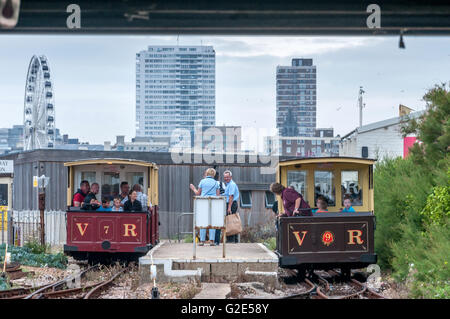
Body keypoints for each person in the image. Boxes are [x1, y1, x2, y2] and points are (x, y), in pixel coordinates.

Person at [190, 168, 220, 246]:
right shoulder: (216, 183)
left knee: (203, 221)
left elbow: (198, 193)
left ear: (206, 173)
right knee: (212, 222)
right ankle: (212, 240)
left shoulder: (202, 182)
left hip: (203, 203)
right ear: (213, 174)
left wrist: (193, 188)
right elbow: (218, 195)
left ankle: (202, 240)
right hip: (213, 204)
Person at [223, 170, 240, 243]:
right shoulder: (228, 184)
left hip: (231, 203)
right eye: (225, 177)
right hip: (230, 203)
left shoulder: (232, 184)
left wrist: (229, 207)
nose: (226, 178)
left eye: (227, 177)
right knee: (232, 220)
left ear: (231, 177)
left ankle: (231, 240)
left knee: (230, 221)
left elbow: (231, 196)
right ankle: (235, 240)